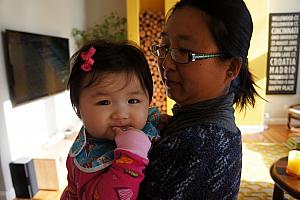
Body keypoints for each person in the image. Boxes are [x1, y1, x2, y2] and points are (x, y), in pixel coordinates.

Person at [138, 0, 261, 199]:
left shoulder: (194, 145)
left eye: (185, 51)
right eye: (165, 46)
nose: (167, 62)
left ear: (230, 68)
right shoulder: (219, 130)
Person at [60, 39, 160, 200]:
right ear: (79, 110)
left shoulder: (150, 121)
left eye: (133, 101)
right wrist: (131, 157)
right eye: (104, 102)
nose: (121, 114)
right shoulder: (86, 161)